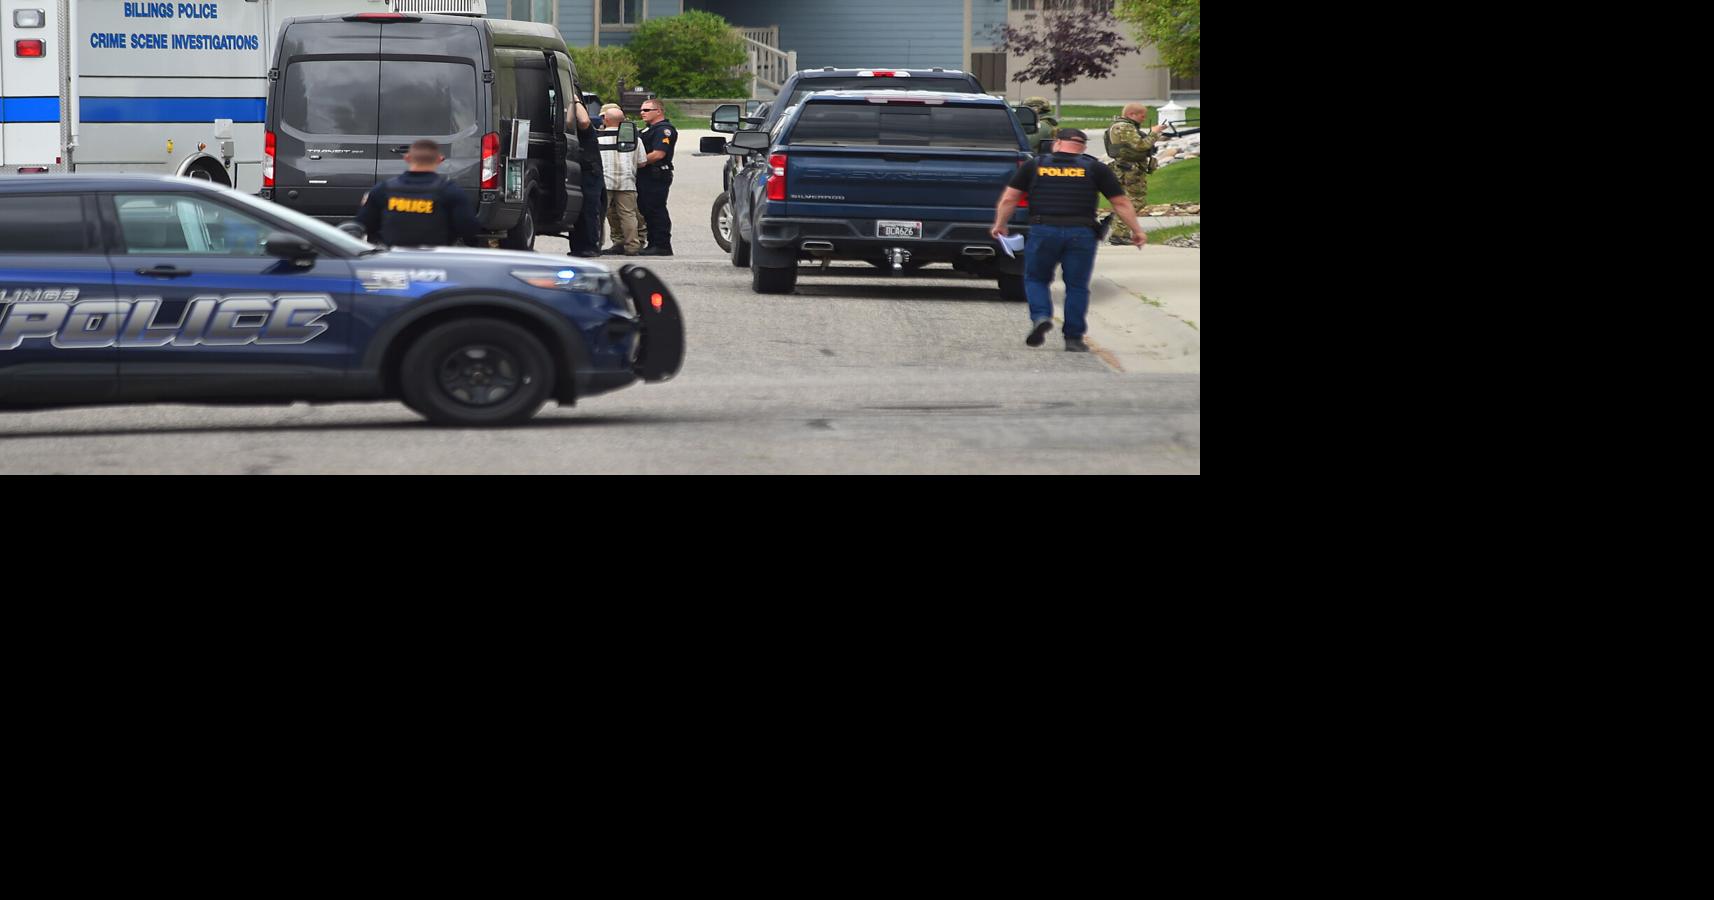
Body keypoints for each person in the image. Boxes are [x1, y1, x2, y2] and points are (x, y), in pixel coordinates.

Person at [990, 128, 1146, 353]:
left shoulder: (1035, 165)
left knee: (1036, 279)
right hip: (1081, 233)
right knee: (1077, 286)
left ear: (1057, 143)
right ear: (1082, 146)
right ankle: (1073, 338)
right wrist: (1136, 230)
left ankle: (1041, 316)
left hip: (1044, 230)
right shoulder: (1094, 168)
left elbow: (1009, 198)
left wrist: (1000, 224)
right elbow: (1120, 202)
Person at [355, 139, 481, 247]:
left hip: (395, 261)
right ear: (440, 159)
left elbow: (363, 225)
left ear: (407, 158)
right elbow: (469, 228)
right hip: (434, 262)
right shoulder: (450, 191)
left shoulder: (383, 190)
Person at [1103, 102, 1168, 246]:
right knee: (1136, 201)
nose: (1144, 119)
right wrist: (1154, 133)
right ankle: (1119, 233)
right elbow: (1140, 146)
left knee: (1129, 201)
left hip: (1127, 168)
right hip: (1129, 170)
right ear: (1131, 114)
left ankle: (1118, 227)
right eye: (1142, 116)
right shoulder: (1125, 127)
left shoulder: (1124, 126)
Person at [598, 103, 648, 256]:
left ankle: (594, 244)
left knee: (599, 215)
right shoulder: (635, 139)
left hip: (604, 181)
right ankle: (633, 246)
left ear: (606, 119)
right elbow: (642, 162)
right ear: (623, 120)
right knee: (629, 215)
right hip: (627, 182)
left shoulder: (598, 138)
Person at [634, 99, 677, 256]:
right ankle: (653, 243)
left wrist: (639, 162)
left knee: (656, 209)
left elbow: (659, 153)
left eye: (646, 110)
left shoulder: (664, 130)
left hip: (656, 174)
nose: (642, 113)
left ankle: (661, 245)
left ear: (658, 111)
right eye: (641, 110)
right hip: (646, 174)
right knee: (647, 209)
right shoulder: (648, 129)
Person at [566, 97, 606, 258]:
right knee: (579, 211)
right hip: (579, 172)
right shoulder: (571, 130)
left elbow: (583, 120)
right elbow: (569, 122)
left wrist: (575, 101)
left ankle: (591, 246)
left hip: (591, 173)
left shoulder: (586, 130)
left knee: (589, 210)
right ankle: (578, 247)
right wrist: (570, 101)